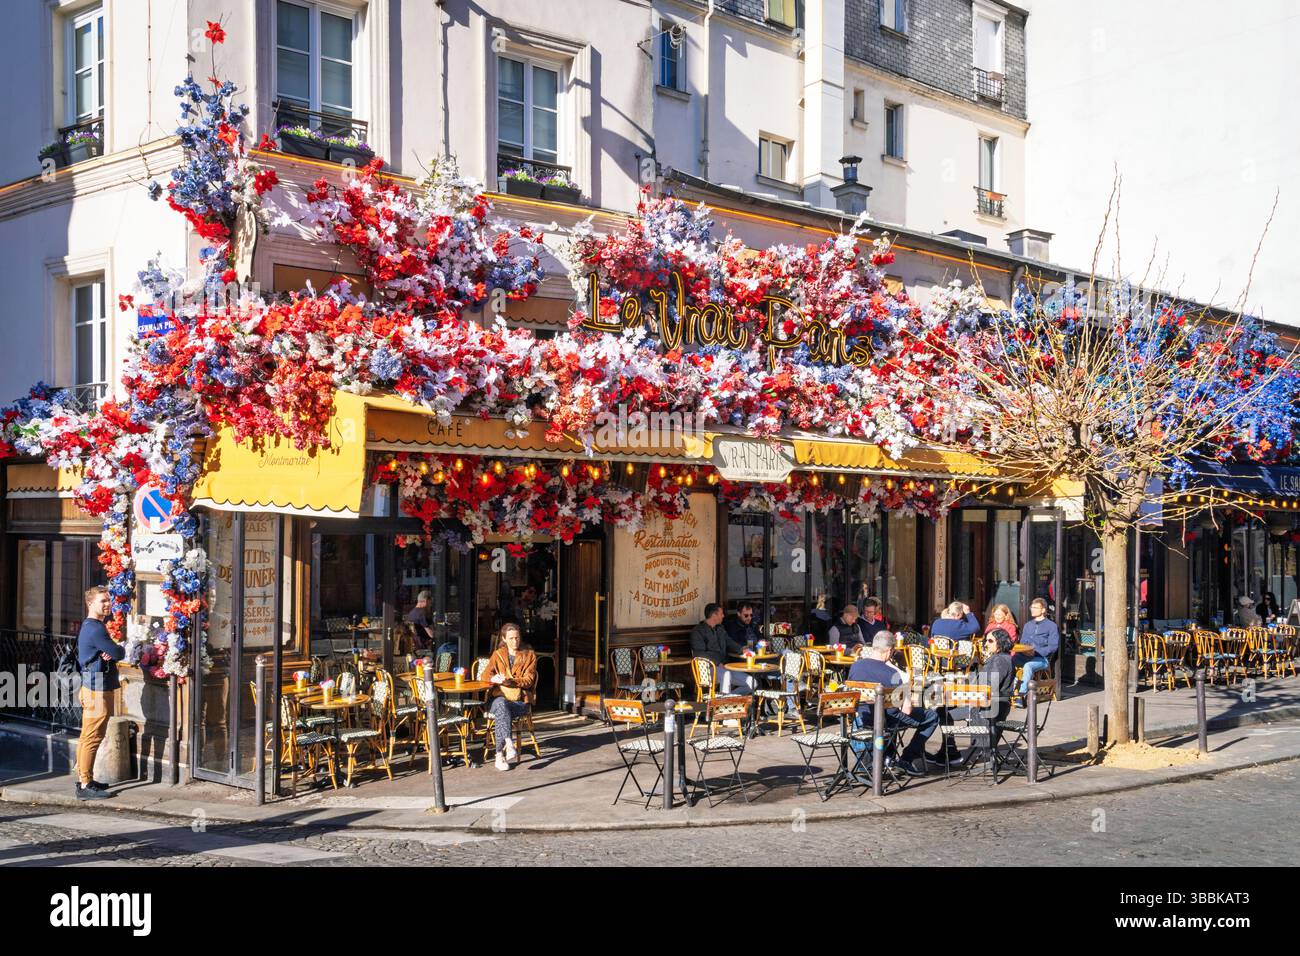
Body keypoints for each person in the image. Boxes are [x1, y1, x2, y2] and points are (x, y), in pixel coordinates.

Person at [846, 631, 939, 776]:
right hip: (887, 721)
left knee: (892, 713)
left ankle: (888, 758)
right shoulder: (891, 674)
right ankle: (907, 758)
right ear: (889, 650)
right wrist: (904, 677)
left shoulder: (856, 666)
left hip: (863, 717)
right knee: (932, 716)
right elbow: (906, 710)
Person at [75, 586, 124, 800]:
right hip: (96, 689)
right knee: (91, 737)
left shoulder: (94, 627)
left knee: (90, 736)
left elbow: (111, 653)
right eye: (102, 601)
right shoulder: (95, 628)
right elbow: (117, 652)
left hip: (96, 686)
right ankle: (85, 784)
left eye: (108, 600)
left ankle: (86, 779)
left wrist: (111, 652)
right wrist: (115, 651)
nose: (107, 604)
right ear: (90, 603)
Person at [482, 623, 537, 772]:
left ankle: (499, 755)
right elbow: (485, 675)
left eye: (517, 638)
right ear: (504, 639)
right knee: (501, 704)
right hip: (499, 697)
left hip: (520, 701)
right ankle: (509, 742)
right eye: (511, 638)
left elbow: (529, 680)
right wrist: (495, 679)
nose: (515, 641)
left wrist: (510, 681)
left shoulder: (529, 655)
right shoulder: (498, 654)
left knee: (502, 709)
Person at [690, 602, 750, 693]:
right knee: (726, 675)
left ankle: (728, 701)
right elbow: (699, 653)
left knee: (752, 683)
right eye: (721, 614)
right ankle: (723, 705)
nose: (723, 616)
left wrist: (742, 649)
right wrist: (717, 663)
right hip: (707, 669)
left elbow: (729, 642)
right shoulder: (698, 631)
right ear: (714, 615)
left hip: (724, 666)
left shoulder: (720, 629)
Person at [1014, 597, 1059, 695]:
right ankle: (1007, 690)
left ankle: (1022, 694)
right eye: (1031, 607)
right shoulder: (1028, 625)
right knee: (1007, 661)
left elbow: (1053, 647)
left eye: (1035, 607)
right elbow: (1023, 642)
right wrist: (1025, 650)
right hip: (1025, 655)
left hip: (1042, 659)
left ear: (1043, 610)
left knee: (1028, 666)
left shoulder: (1051, 626)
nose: (1032, 609)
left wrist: (1035, 650)